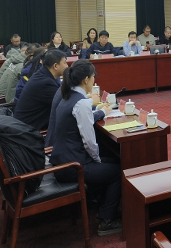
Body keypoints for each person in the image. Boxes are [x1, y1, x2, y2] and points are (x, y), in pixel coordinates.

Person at [50, 60, 122, 236]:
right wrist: (97, 160)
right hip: (72, 166)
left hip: (63, 160)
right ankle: (107, 220)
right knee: (118, 171)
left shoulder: (68, 96)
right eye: (93, 77)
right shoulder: (81, 102)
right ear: (86, 80)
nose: (94, 81)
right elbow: (89, 142)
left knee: (113, 160)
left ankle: (103, 208)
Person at [13, 49, 68, 131]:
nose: (67, 66)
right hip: (29, 131)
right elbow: (65, 105)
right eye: (65, 63)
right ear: (55, 66)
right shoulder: (45, 83)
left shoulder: (41, 75)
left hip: (25, 124)